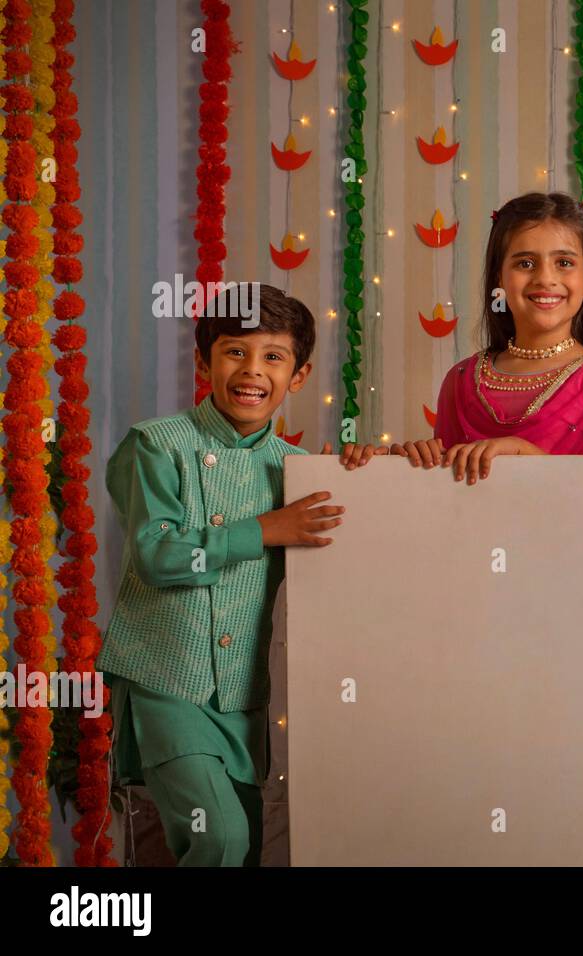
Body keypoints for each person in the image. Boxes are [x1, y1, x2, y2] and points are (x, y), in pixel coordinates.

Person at [99, 284, 348, 866]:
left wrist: (369, 475)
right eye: (235, 351)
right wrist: (262, 530)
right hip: (167, 681)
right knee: (219, 838)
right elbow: (156, 557)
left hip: (244, 696)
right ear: (205, 360)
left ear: (300, 374)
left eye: (273, 356)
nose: (252, 371)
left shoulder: (297, 470)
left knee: (246, 845)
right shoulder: (157, 446)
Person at [392, 192, 583, 483]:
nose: (545, 279)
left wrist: (525, 455)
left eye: (563, 263)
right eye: (525, 264)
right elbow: (447, 492)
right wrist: (414, 465)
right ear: (500, 278)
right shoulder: (460, 381)